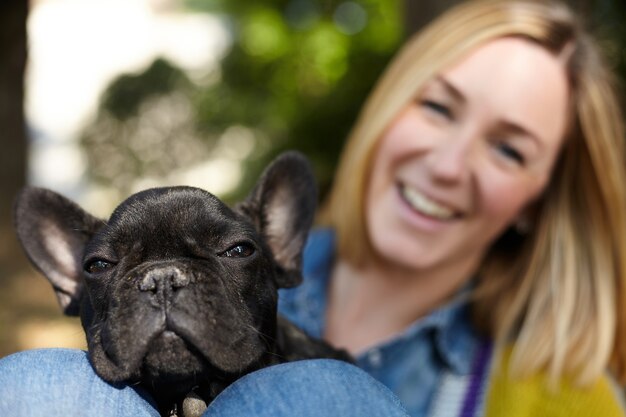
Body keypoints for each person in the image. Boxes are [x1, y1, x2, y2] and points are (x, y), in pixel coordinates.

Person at [1, 0, 625, 416]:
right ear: (390, 108)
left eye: (509, 149)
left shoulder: (567, 393)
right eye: (438, 108)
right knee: (40, 386)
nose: (449, 164)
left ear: (538, 201)